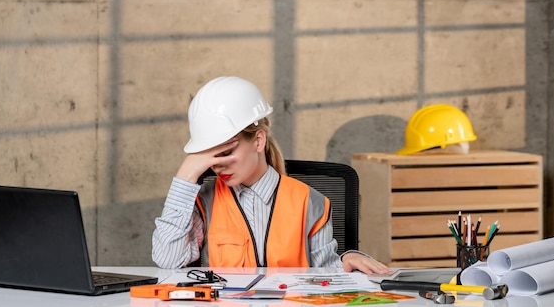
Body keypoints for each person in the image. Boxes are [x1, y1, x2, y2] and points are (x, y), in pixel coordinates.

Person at [152, 76, 391, 274]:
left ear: (258, 141)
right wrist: (185, 176)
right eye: (208, 156)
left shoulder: (310, 202)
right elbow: (167, 259)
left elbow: (325, 276)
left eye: (225, 152)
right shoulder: (203, 202)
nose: (217, 165)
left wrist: (346, 261)